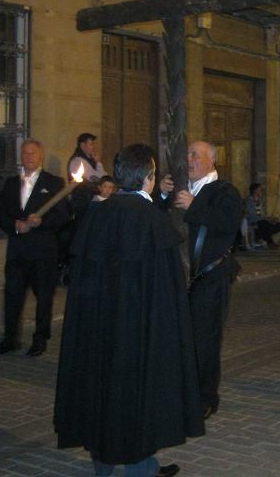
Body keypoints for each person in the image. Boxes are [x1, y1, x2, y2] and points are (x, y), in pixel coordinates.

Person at [54, 144, 202, 477]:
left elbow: (81, 281)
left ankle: (105, 465)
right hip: (139, 332)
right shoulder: (150, 220)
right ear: (148, 178)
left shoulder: (97, 215)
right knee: (137, 393)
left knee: (101, 389)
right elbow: (166, 292)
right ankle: (140, 467)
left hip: (99, 330)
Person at [159, 141, 242, 420]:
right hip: (180, 277)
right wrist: (160, 195)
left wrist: (194, 206)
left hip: (211, 275)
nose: (189, 159)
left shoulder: (223, 191)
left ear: (211, 161)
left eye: (195, 155)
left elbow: (228, 224)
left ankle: (206, 397)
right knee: (180, 337)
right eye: (187, 155)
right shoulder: (181, 188)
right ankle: (180, 389)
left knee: (205, 339)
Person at [0, 140, 69, 356]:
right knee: (13, 294)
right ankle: (10, 339)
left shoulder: (53, 183)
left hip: (43, 251)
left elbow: (62, 215)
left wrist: (42, 222)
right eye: (25, 153)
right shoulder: (11, 184)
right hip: (17, 251)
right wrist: (14, 225)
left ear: (41, 155)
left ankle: (40, 339)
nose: (29, 156)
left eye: (33, 152)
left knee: (44, 297)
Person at [244, 183, 280, 249]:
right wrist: (266, 219)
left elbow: (262, 214)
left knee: (279, 225)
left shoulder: (259, 202)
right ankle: (270, 242)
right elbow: (252, 215)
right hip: (253, 222)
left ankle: (262, 237)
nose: (262, 192)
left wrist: (270, 218)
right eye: (260, 190)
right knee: (264, 224)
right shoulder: (248, 202)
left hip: (261, 221)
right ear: (255, 191)